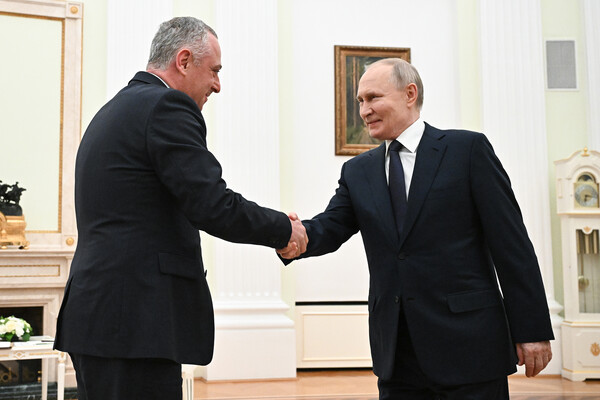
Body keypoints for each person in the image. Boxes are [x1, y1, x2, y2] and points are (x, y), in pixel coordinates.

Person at [55, 17, 307, 400]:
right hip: (135, 322)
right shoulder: (166, 106)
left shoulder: (116, 109)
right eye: (215, 71)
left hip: (103, 318)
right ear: (184, 60)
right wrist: (284, 229)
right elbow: (212, 204)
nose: (218, 85)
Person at [278, 58, 553, 399]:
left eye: (373, 98)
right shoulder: (358, 171)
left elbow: (512, 245)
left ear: (410, 94)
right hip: (397, 352)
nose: (364, 110)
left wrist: (532, 329)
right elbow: (330, 226)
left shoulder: (467, 150)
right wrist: (287, 234)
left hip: (470, 346)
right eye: (360, 101)